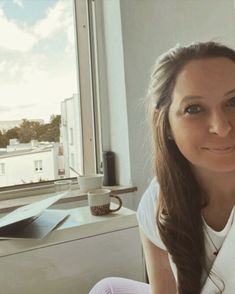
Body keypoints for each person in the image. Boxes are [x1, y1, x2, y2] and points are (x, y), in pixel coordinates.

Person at [89, 41, 235, 294]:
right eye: (194, 109)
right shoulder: (157, 203)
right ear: (166, 125)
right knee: (106, 288)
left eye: (233, 102)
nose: (221, 127)